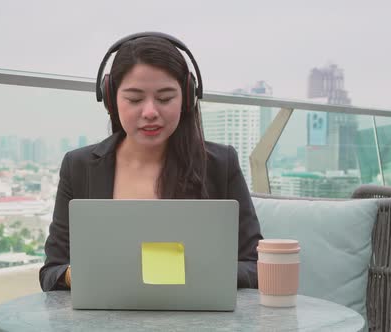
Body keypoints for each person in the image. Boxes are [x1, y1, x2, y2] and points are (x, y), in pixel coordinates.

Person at [39, 32, 263, 292]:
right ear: (111, 99)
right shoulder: (79, 166)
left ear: (187, 98)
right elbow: (51, 271)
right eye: (134, 99)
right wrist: (80, 275)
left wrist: (193, 273)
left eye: (165, 98)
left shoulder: (220, 164)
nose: (150, 113)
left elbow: (256, 264)